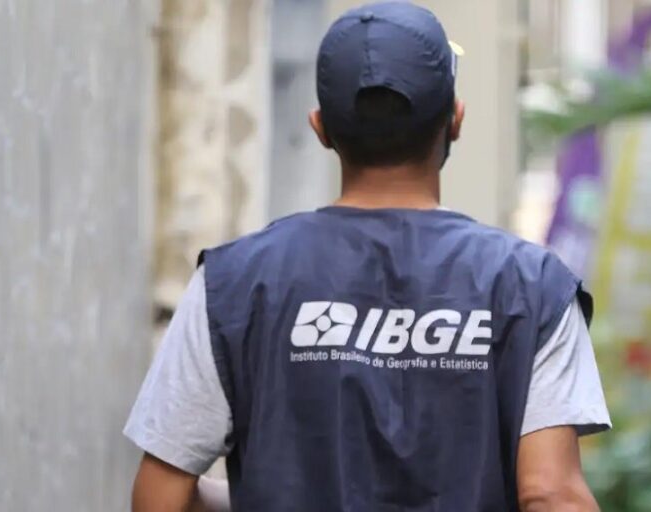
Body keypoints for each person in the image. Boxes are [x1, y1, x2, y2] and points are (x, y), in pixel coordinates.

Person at [124, 2, 611, 511]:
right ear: (455, 120)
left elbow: (160, 498)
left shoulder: (232, 284)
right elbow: (552, 494)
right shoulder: (533, 288)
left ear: (320, 128)